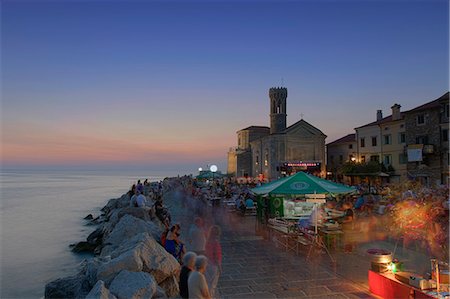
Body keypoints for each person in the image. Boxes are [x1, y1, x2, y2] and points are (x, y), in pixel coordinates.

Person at [205, 225, 222, 298]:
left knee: (208, 283)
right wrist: (220, 267)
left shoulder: (208, 241)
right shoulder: (216, 243)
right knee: (212, 285)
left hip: (207, 264)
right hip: (213, 265)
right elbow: (217, 257)